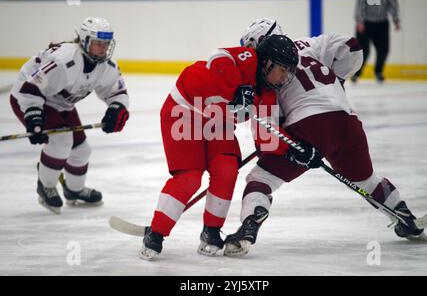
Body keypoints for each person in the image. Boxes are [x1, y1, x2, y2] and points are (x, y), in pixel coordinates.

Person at [223, 18, 426, 257]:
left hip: (309, 125)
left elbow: (268, 134)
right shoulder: (310, 45)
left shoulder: (267, 72)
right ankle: (404, 216)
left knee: (261, 179)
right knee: (367, 181)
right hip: (347, 121)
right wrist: (336, 84)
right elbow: (351, 46)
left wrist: (291, 148)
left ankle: (248, 228)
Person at [140, 34, 299, 260]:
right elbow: (219, 59)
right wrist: (236, 88)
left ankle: (211, 232)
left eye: (288, 72)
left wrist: (295, 150)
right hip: (185, 111)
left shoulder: (267, 94)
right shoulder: (249, 59)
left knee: (226, 169)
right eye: (282, 69)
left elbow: (268, 138)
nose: (284, 77)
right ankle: (156, 234)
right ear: (267, 62)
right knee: (189, 178)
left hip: (218, 122)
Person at [10, 17, 130, 214]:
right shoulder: (65, 60)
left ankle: (74, 190)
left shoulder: (106, 66)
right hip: (29, 96)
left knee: (82, 150)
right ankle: (46, 185)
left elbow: (117, 93)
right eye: (98, 43)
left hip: (61, 103)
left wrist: (116, 109)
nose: (103, 48)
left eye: (106, 44)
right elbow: (30, 89)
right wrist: (34, 117)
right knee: (61, 141)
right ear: (84, 41)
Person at [352, 0, 400, 83]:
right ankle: (357, 73)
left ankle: (378, 72)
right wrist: (360, 21)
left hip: (382, 23)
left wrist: (395, 19)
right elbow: (360, 4)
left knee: (383, 50)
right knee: (363, 51)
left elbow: (392, 3)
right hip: (366, 23)